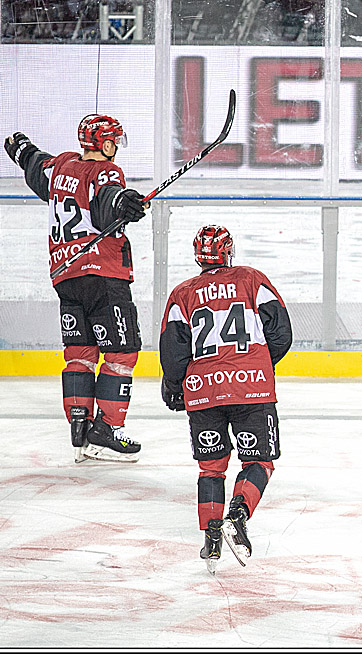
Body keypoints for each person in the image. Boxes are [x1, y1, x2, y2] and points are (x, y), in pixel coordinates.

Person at [4, 116, 147, 463]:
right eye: (115, 142)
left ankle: (80, 429)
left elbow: (36, 165)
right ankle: (107, 431)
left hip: (66, 276)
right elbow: (106, 202)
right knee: (121, 352)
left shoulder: (63, 164)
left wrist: (21, 148)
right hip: (103, 276)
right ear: (108, 144)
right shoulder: (107, 171)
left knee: (80, 353)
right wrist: (123, 202)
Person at [159, 225, 293, 571]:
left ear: (197, 256)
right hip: (252, 387)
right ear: (229, 251)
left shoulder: (182, 293)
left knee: (211, 468)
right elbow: (281, 333)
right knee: (259, 462)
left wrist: (175, 385)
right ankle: (238, 513)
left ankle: (211, 538)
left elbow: (172, 352)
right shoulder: (251, 280)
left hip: (203, 392)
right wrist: (259, 364)